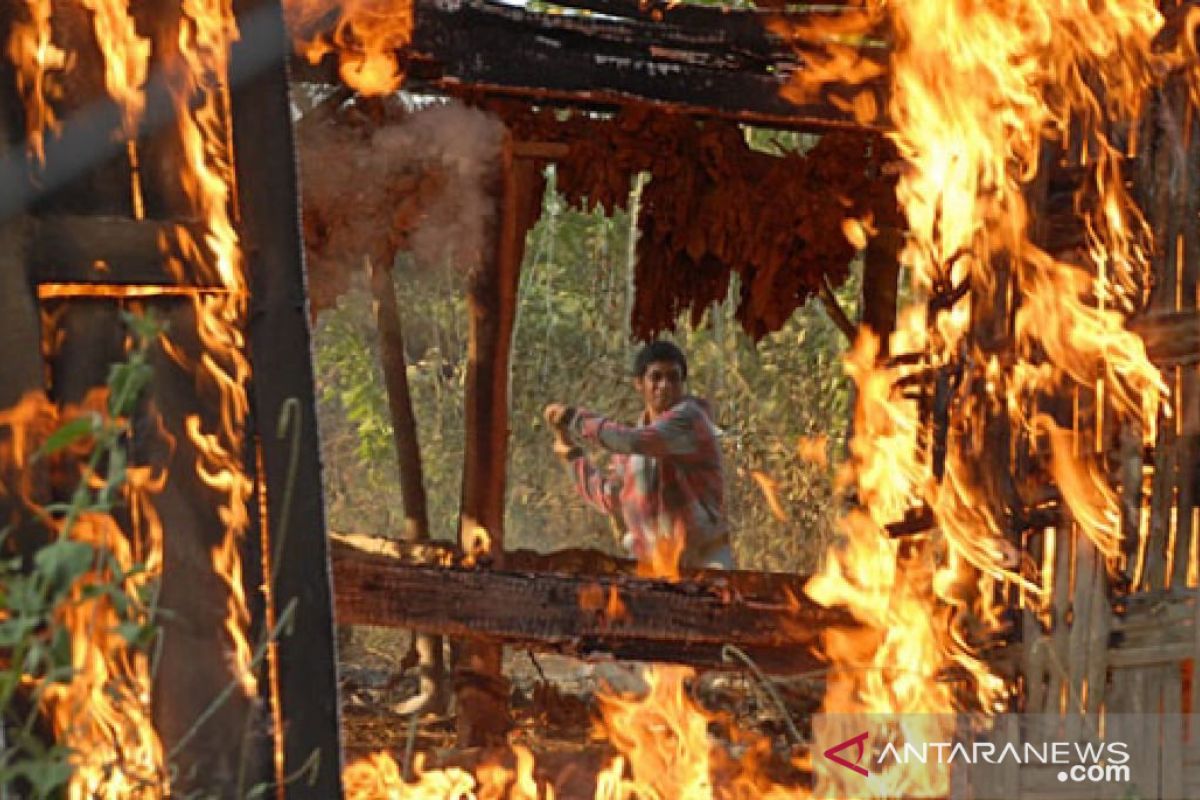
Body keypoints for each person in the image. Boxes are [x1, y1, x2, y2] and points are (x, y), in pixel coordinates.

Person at [544, 340, 733, 570]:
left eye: (673, 378)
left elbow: (634, 440)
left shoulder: (690, 419)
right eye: (656, 377)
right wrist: (571, 455)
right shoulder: (631, 451)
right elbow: (609, 497)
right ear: (639, 384)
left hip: (705, 561)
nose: (664, 386)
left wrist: (574, 418)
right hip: (653, 568)